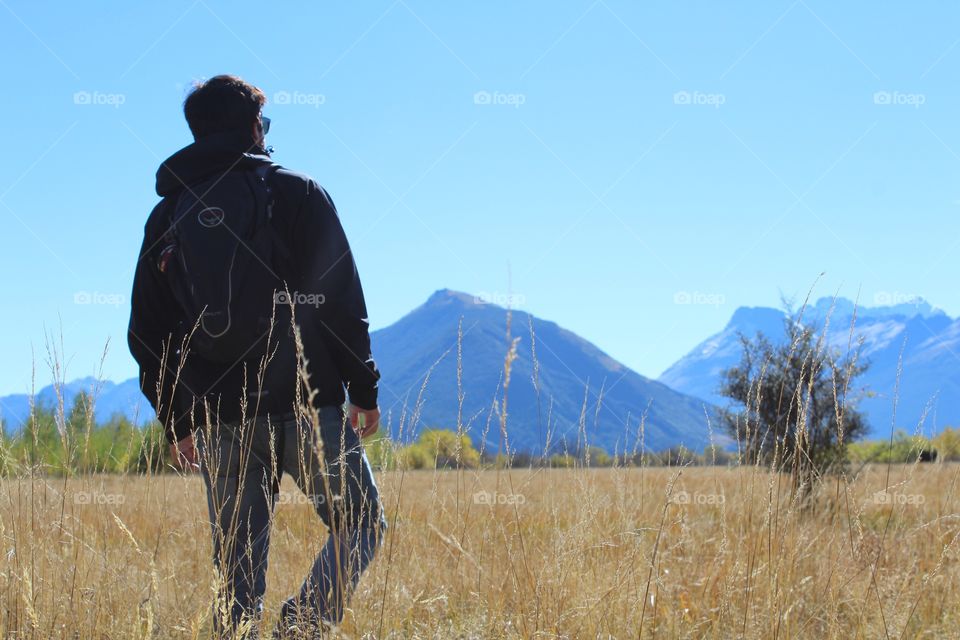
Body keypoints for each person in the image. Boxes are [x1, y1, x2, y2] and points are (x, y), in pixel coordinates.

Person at [128, 74, 385, 638]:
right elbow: (341, 300)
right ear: (253, 127)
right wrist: (363, 391)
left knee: (237, 578)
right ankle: (303, 627)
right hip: (306, 405)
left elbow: (148, 334)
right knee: (361, 521)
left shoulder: (167, 216)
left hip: (221, 420)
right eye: (262, 125)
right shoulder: (298, 192)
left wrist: (179, 419)